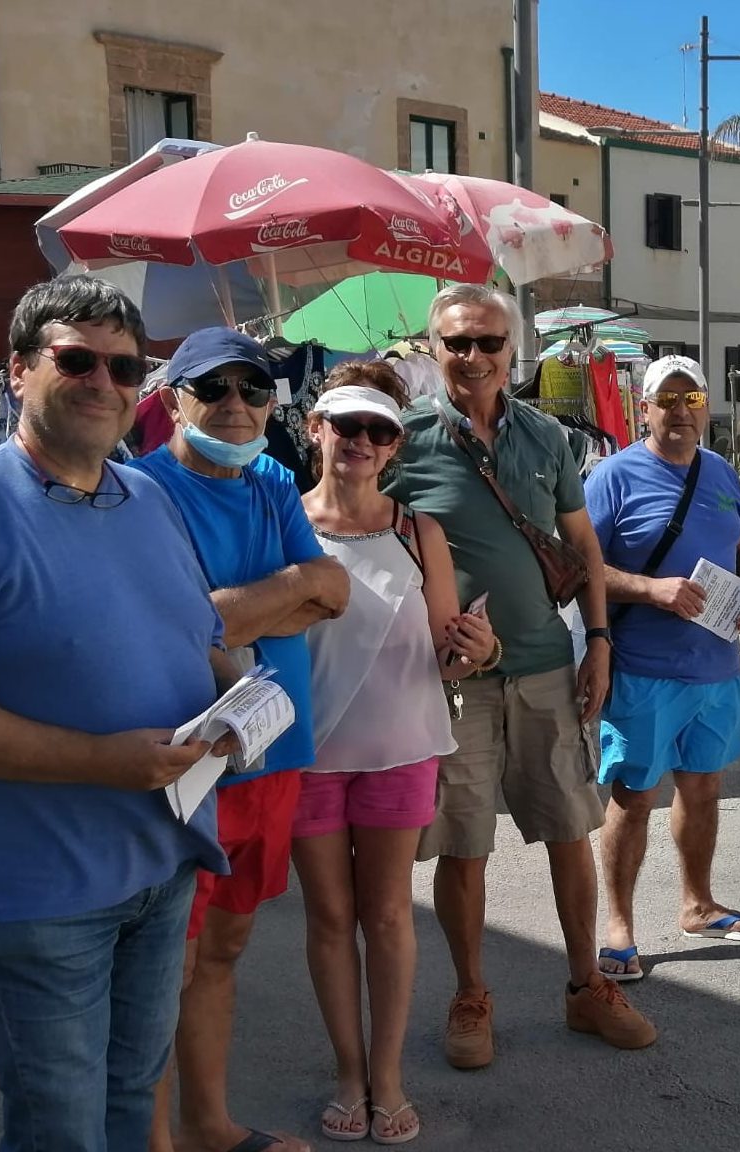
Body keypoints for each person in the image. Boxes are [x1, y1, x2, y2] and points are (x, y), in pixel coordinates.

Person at [0, 276, 238, 1152]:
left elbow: (198, 635)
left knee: (128, 1099)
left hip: (156, 865)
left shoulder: (147, 497)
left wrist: (237, 702)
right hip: (35, 895)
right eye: (76, 360)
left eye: (124, 365)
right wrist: (98, 760)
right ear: (20, 370)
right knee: (59, 1128)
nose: (102, 381)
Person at [385, 282, 656, 1068]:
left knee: (570, 832)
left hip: (544, 666)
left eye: (488, 342)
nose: (472, 357)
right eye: (456, 342)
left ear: (513, 351)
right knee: (464, 846)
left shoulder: (548, 438)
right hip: (456, 683)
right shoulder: (401, 441)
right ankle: (470, 996)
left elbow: (585, 551)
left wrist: (599, 641)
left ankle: (584, 990)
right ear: (432, 349)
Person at [138, 327, 348, 1152]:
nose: (235, 405)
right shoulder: (140, 491)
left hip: (273, 755)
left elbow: (332, 590)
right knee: (167, 969)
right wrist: (286, 595)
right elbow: (181, 624)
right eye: (213, 388)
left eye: (253, 389)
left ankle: (208, 1127)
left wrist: (268, 597)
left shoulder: (269, 479)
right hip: (190, 765)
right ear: (171, 399)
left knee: (223, 952)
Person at [294, 363, 487, 1145]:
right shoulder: (281, 522)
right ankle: (348, 1071)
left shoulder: (419, 530)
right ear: (315, 430)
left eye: (379, 431)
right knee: (329, 915)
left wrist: (479, 647)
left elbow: (451, 654)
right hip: (304, 754)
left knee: (385, 915)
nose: (362, 443)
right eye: (347, 426)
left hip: (400, 748)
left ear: (395, 446)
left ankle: (387, 1077)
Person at [588, 355, 740, 982]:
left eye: (690, 399)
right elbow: (579, 567)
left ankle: (698, 904)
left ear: (704, 405)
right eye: (665, 399)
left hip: (716, 668)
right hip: (645, 668)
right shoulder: (612, 477)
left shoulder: (719, 471)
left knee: (703, 787)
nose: (678, 410)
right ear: (644, 406)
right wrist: (650, 589)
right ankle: (618, 927)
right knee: (634, 797)